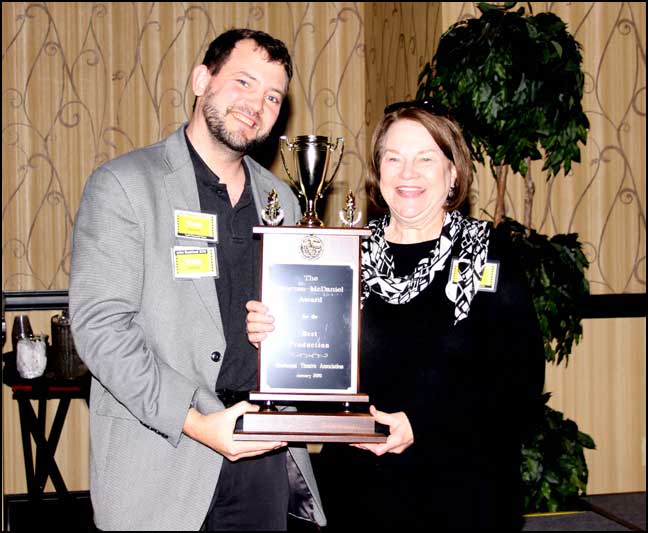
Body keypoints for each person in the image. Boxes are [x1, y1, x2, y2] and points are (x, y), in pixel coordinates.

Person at [246, 100, 545, 530]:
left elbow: (520, 382)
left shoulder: (488, 253)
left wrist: (421, 423)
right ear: (378, 171)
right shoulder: (346, 253)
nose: (408, 173)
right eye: (394, 158)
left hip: (462, 491)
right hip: (359, 491)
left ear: (453, 173)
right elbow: (317, 377)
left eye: (426, 159)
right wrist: (275, 336)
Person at [70, 28, 325, 531]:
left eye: (272, 96)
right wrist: (198, 422)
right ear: (201, 80)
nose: (256, 104)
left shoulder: (284, 203)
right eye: (244, 82)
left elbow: (297, 326)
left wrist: (289, 334)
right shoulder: (124, 185)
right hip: (161, 453)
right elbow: (101, 329)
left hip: (262, 453)